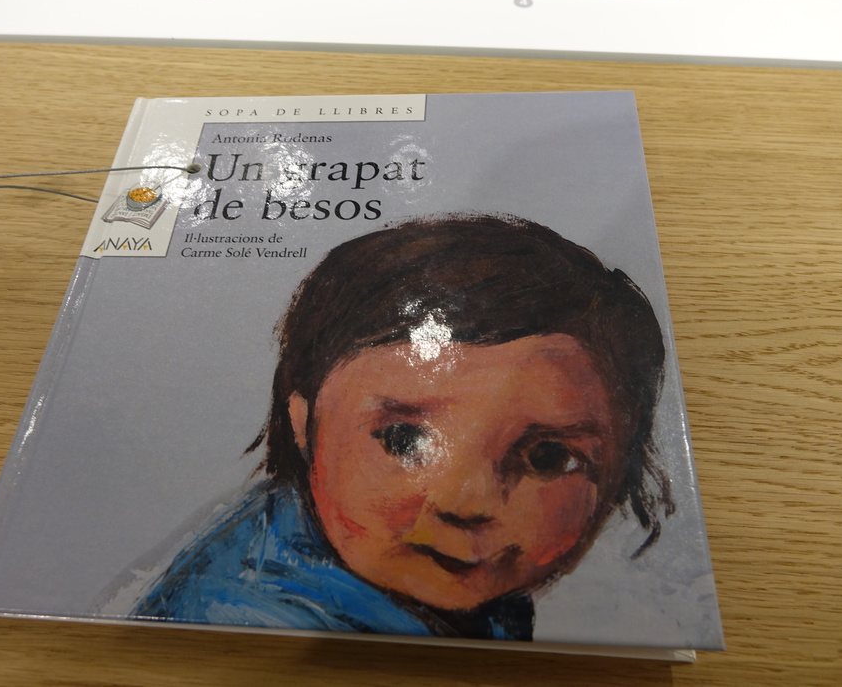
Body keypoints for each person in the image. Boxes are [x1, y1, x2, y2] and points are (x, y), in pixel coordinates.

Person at [132, 212, 674, 640]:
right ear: (304, 425)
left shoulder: (417, 585)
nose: (465, 502)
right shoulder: (252, 619)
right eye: (403, 439)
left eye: (548, 457)